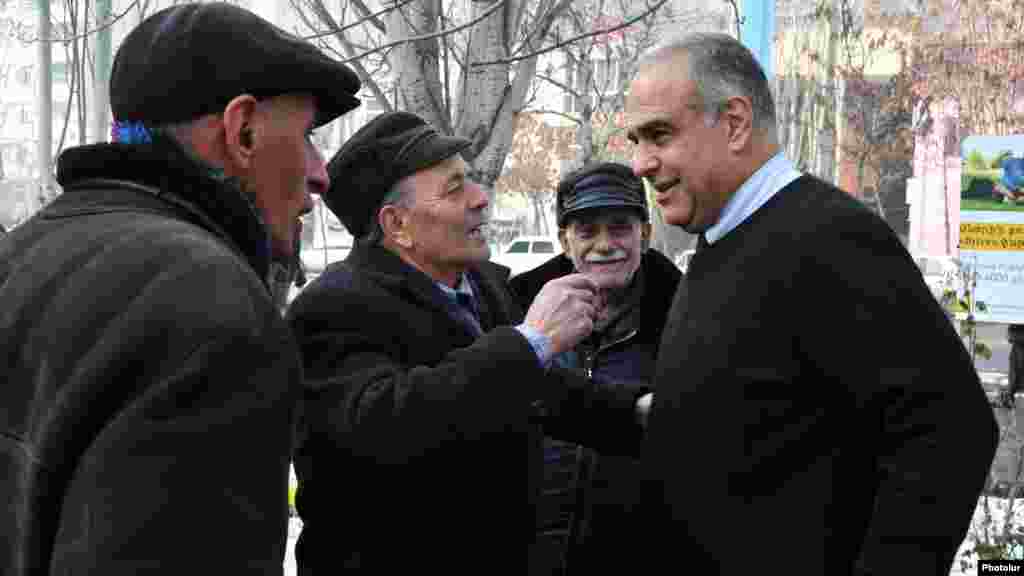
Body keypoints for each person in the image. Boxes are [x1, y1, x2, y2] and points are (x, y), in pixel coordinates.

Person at [0, 3, 359, 573]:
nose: (321, 174)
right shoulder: (215, 306)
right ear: (242, 130)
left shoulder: (20, 255)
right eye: (308, 137)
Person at [625, 32, 998, 575]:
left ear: (734, 123)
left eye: (659, 134)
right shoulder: (722, 241)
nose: (640, 163)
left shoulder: (829, 239)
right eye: (635, 140)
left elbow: (952, 430)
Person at [286, 112, 649, 572]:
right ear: (397, 225)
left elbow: (536, 391)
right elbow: (389, 424)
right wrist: (531, 342)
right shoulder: (332, 308)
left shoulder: (482, 286)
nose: (481, 198)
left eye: (472, 180)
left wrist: (639, 411)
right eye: (455, 188)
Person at [508, 161, 680, 574]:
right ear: (564, 241)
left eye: (620, 228)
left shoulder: (687, 320)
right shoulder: (514, 314)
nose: (605, 245)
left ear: (645, 234)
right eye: (587, 232)